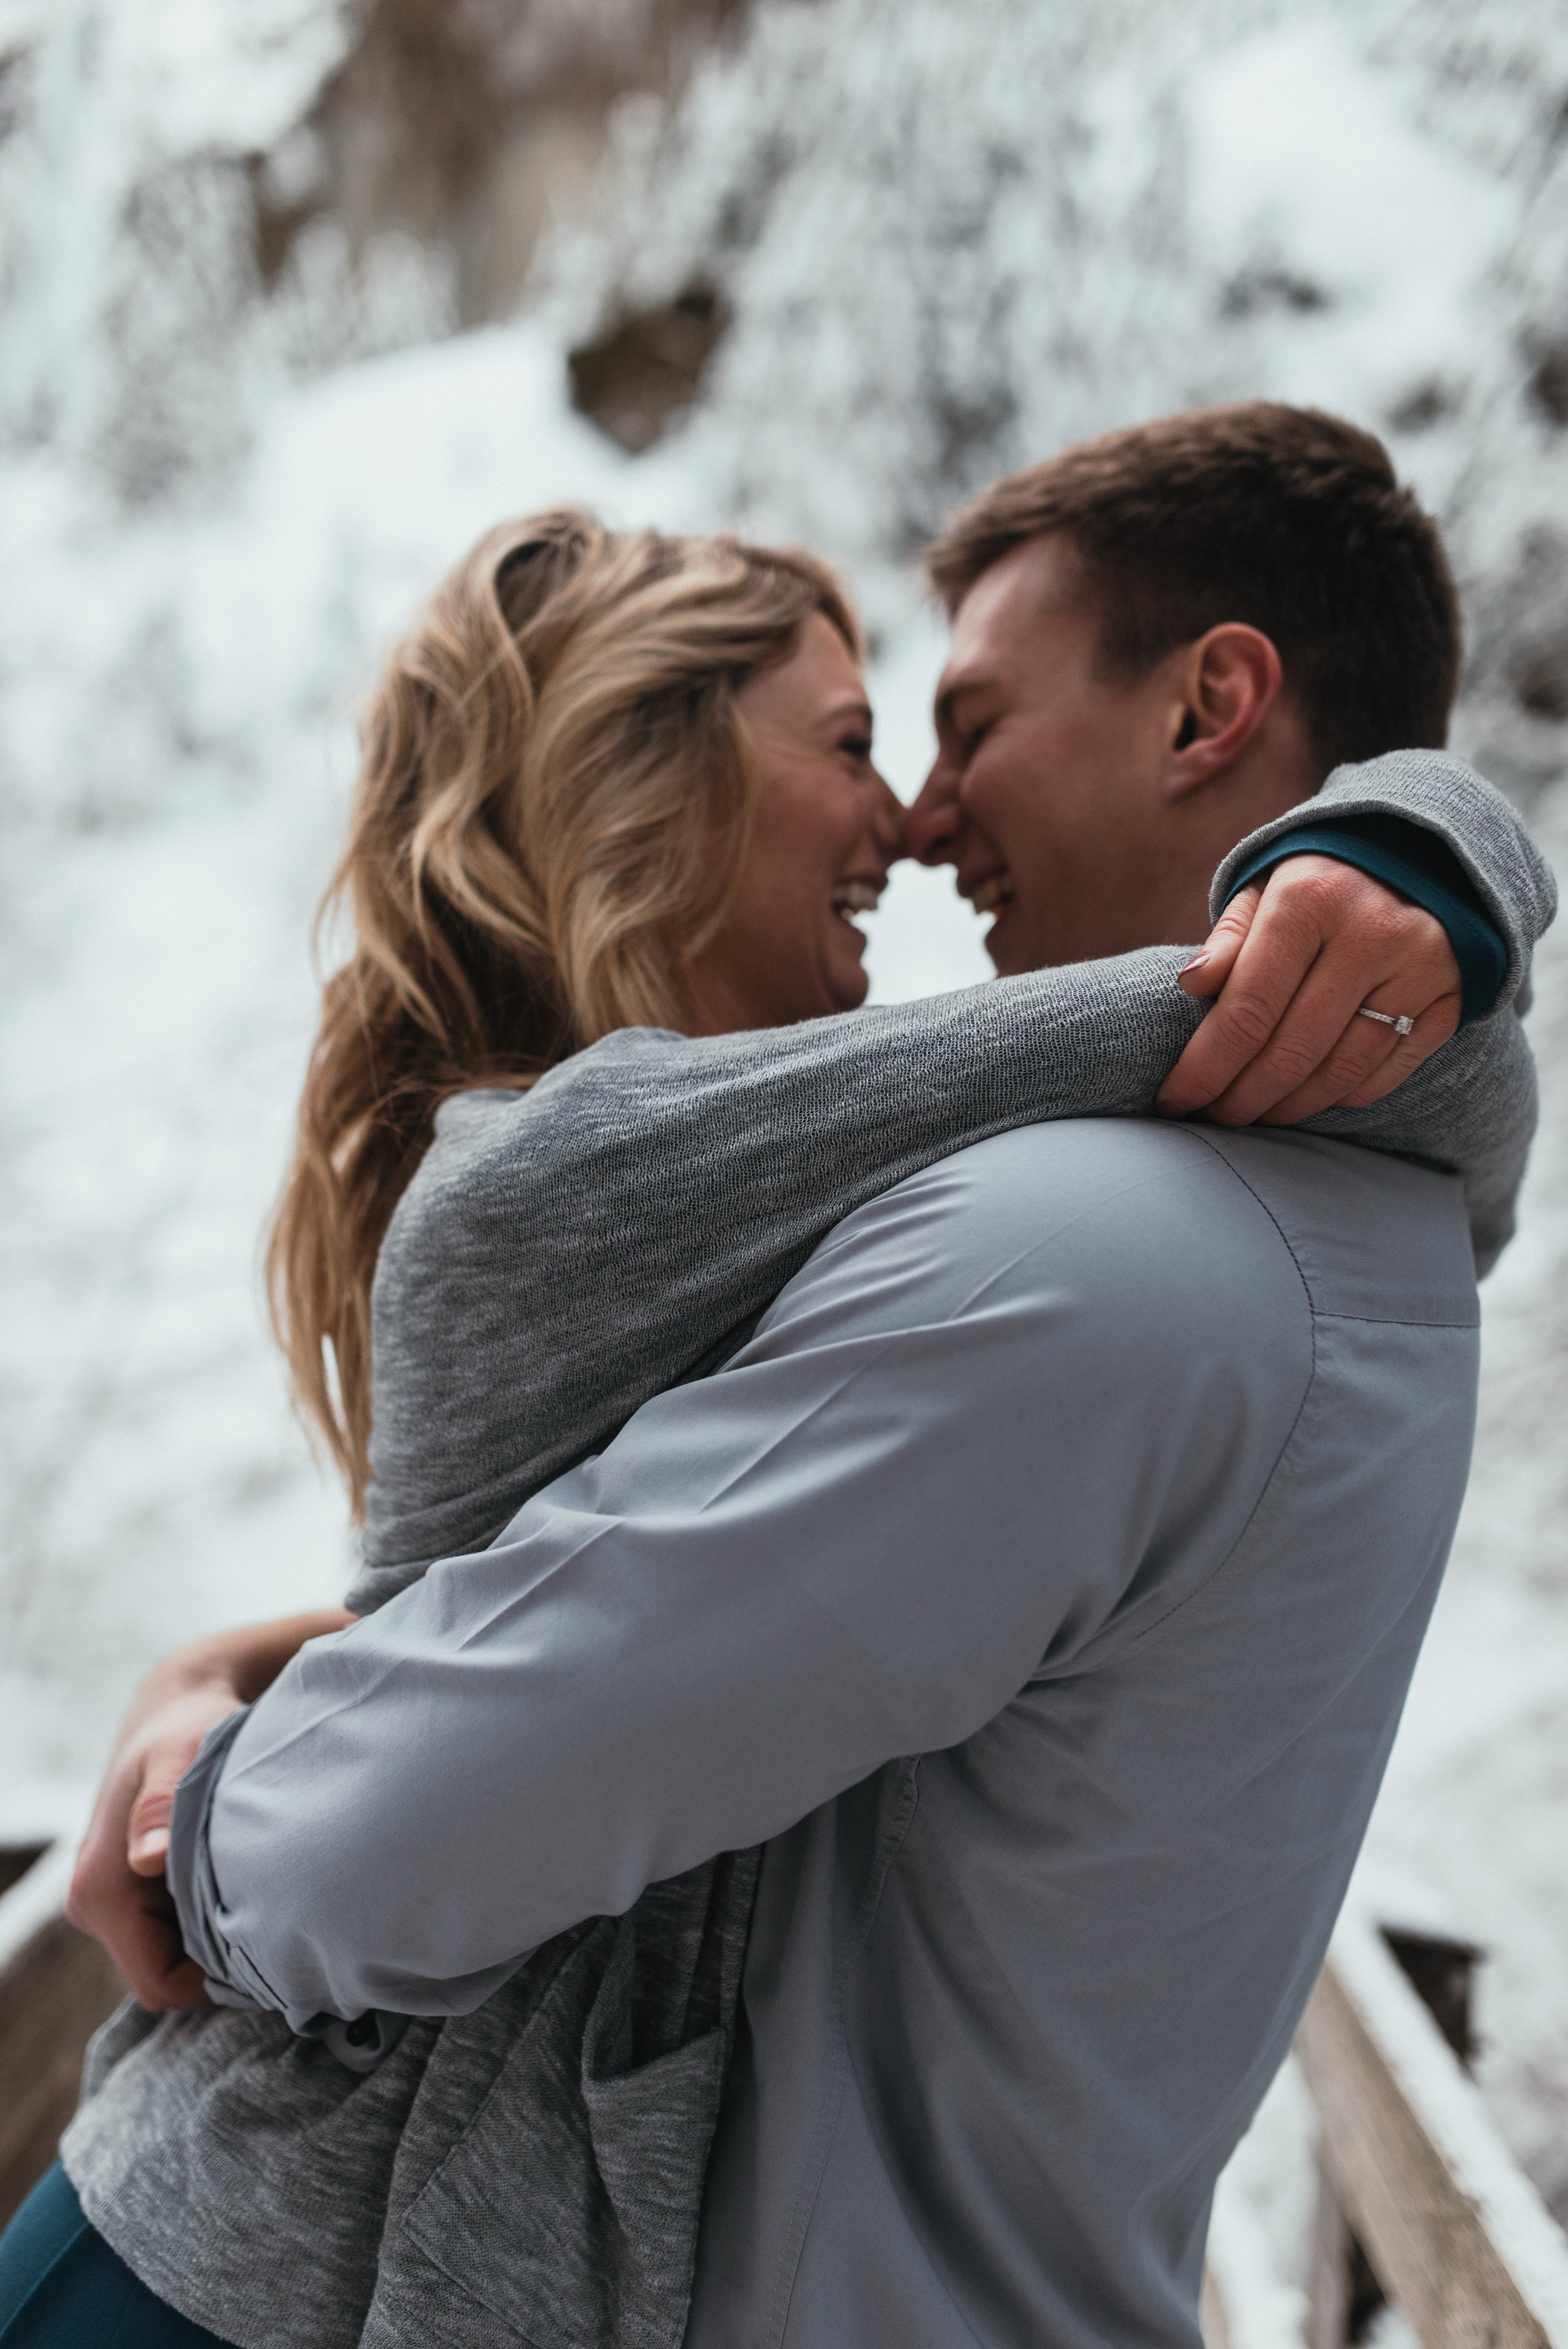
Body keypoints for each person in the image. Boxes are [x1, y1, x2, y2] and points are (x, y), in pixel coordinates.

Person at [9, 408, 1553, 2348]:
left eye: (957, 723)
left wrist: (1432, 870)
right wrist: (1432, 903)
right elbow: (574, 1620)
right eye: (858, 745)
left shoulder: (1088, 1261)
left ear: (1202, 711)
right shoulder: (1245, 1224)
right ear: (650, 794)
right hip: (252, 2247)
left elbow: (415, 1791)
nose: (919, 815)